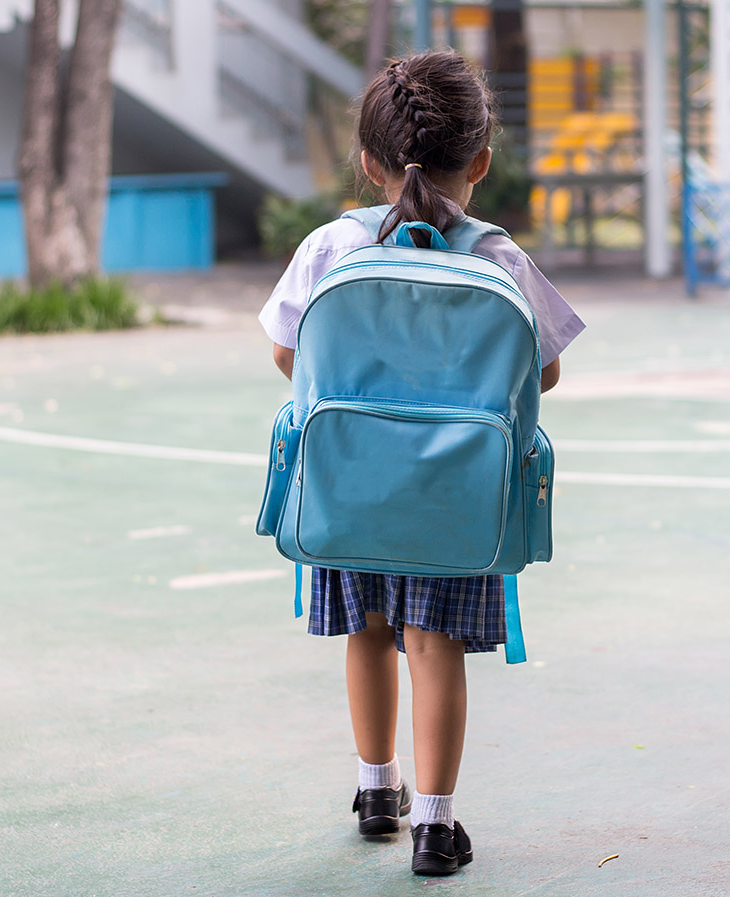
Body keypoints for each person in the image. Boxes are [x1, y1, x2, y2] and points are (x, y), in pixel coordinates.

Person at [257, 50, 584, 877]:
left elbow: (286, 351)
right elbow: (543, 371)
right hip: (455, 496)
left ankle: (376, 791)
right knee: (431, 642)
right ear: (480, 160)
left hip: (348, 488)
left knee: (365, 635)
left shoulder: (331, 245)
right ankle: (437, 826)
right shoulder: (496, 257)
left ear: (367, 161)